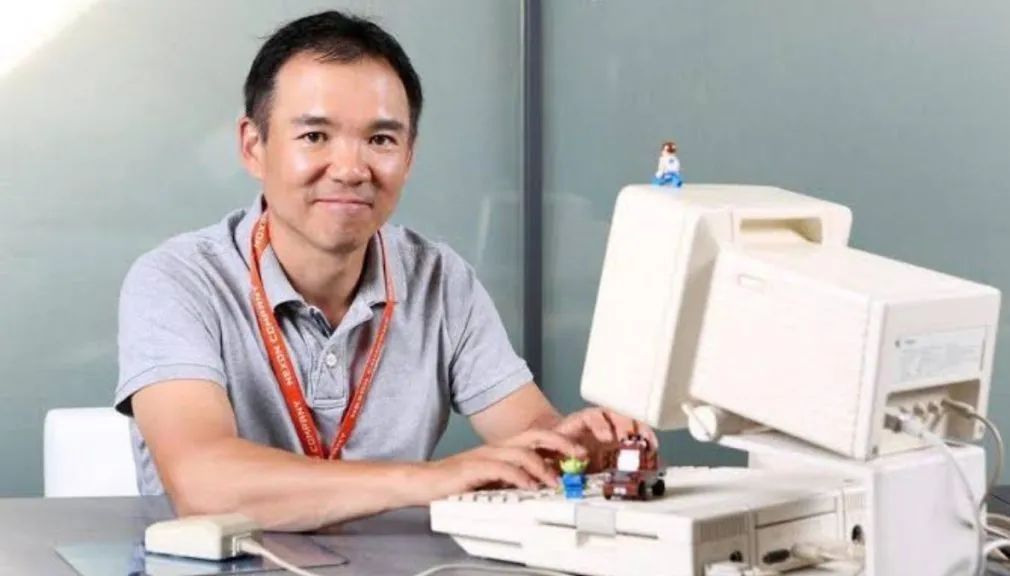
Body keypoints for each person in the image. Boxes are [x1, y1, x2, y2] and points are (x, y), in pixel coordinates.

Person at [114, 10, 656, 533]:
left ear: (409, 156)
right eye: (315, 136)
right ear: (254, 147)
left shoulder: (440, 280)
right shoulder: (176, 281)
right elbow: (203, 483)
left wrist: (579, 445)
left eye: (381, 140)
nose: (351, 169)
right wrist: (431, 479)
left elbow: (529, 433)